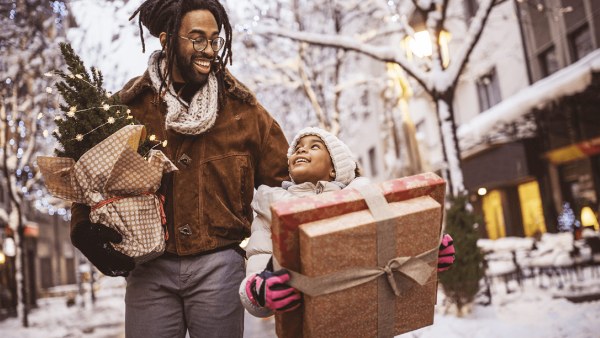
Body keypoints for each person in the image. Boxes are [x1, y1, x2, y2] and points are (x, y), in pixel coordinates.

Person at [68, 1, 289, 337]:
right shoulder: (127, 109)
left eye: (215, 40)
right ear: (166, 39)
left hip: (221, 267)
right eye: (197, 39)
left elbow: (287, 181)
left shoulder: (243, 111)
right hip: (149, 271)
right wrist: (82, 226)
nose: (209, 50)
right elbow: (90, 179)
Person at [239, 127, 456, 318]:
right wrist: (258, 291)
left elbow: (395, 254)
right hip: (307, 325)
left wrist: (430, 255)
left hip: (366, 320)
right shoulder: (270, 209)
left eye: (314, 146)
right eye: (297, 149)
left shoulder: (365, 200)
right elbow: (258, 264)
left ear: (334, 168)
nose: (301, 150)